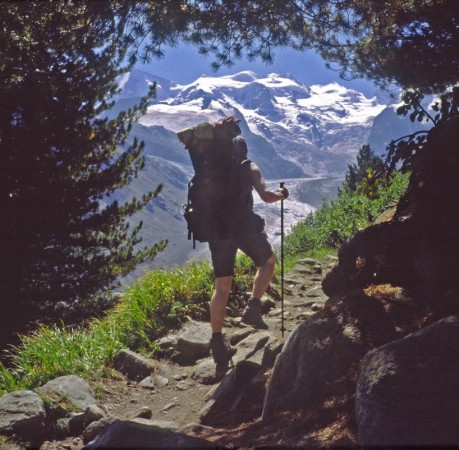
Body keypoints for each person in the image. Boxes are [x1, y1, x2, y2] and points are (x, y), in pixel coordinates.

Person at [209, 135, 289, 365]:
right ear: (244, 150)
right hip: (244, 228)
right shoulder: (248, 167)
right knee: (268, 262)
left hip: (218, 230)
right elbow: (266, 196)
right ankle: (253, 309)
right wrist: (282, 194)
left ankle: (217, 343)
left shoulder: (214, 169)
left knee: (221, 286)